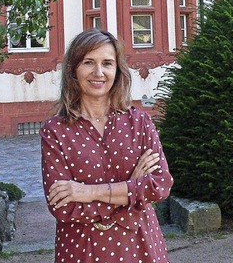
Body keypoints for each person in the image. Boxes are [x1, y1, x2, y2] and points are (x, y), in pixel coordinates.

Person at [40, 29, 173, 262]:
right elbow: (64, 208)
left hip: (140, 247)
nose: (98, 72)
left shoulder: (140, 123)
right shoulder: (55, 132)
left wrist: (87, 192)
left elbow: (159, 186)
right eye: (89, 62)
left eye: (107, 63)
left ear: (117, 70)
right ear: (73, 69)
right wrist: (132, 189)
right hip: (81, 250)